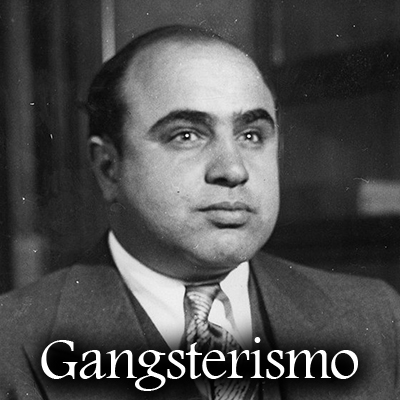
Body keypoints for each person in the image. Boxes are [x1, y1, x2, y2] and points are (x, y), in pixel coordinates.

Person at [0, 25, 399, 400]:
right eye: (186, 135)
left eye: (251, 135)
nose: (234, 169)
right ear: (108, 167)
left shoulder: (377, 317)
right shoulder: (11, 342)